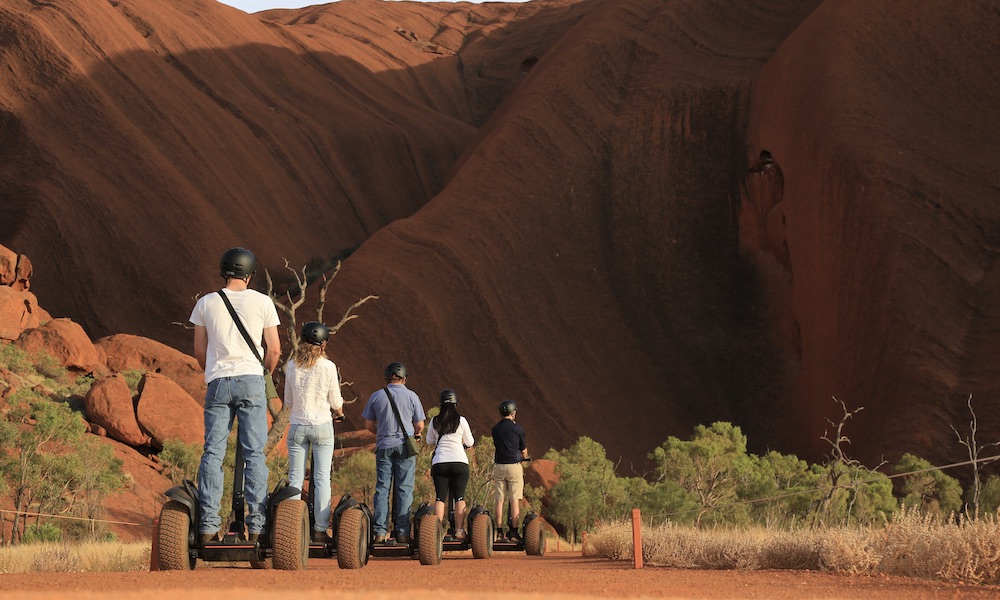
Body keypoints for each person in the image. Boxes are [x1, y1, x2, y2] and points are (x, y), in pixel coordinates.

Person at [189, 247, 280, 544]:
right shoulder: (262, 302)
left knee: (213, 452)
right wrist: (263, 374)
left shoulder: (205, 302)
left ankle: (208, 527)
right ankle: (257, 528)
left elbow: (199, 351)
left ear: (223, 271)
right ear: (249, 274)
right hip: (252, 380)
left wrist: (213, 371)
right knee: (254, 454)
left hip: (218, 381)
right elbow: (274, 350)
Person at [283, 321, 345, 544]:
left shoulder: (292, 366)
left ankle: (292, 530)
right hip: (321, 426)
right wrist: (339, 413)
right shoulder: (328, 367)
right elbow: (335, 401)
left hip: (297, 426)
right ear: (324, 344)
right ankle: (319, 530)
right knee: (321, 478)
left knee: (295, 477)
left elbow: (288, 401)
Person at [361, 362, 426, 544]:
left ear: (386, 378)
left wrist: (382, 434)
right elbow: (420, 425)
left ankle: (380, 533)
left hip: (384, 446)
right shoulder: (412, 396)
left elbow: (369, 425)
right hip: (405, 447)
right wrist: (416, 434)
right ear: (404, 379)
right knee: (404, 488)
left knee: (382, 488)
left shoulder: (376, 396)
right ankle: (403, 533)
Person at [425, 389, 475, 540]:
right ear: (455, 404)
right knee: (459, 497)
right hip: (459, 462)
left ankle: (437, 533)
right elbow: (470, 442)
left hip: (440, 462)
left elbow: (429, 441)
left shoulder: (435, 420)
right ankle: (459, 530)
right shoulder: (461, 420)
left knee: (440, 498)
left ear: (440, 404)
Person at [491, 399, 527, 541]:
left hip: (499, 466)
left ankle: (499, 532)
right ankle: (513, 532)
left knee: (499, 499)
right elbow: (523, 450)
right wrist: (525, 458)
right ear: (513, 412)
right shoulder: (518, 429)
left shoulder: (495, 429)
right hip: (514, 466)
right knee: (514, 500)